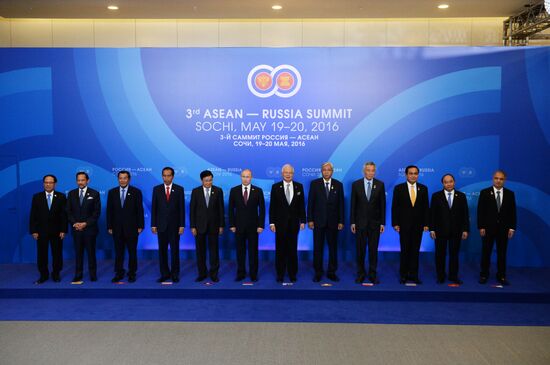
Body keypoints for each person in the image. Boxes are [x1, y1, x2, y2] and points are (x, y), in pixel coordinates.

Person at [477, 170, 517, 286]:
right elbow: (480, 211)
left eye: (501, 179)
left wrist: (512, 228)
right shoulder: (485, 192)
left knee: (502, 253)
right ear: (493, 179)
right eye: (496, 178)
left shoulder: (510, 194)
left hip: (504, 229)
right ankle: (484, 275)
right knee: (486, 253)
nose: (498, 181)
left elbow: (512, 212)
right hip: (488, 229)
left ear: (504, 180)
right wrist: (481, 226)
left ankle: (501, 276)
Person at [307, 162, 344, 282]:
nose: (326, 172)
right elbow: (310, 203)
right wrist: (310, 220)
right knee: (318, 248)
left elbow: (341, 205)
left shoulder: (338, 185)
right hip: (318, 222)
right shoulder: (315, 184)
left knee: (333, 248)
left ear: (332, 171)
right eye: (324, 170)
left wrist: (341, 221)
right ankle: (318, 272)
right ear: (321, 171)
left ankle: (332, 272)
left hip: (333, 223)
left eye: (329, 170)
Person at [392, 165, 429, 284]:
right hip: (403, 225)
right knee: (405, 251)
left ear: (418, 175)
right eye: (411, 173)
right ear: (406, 175)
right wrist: (395, 223)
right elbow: (395, 207)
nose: (413, 175)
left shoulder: (423, 189)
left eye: (415, 173)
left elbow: (425, 208)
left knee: (415, 251)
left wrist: (426, 223)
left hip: (418, 226)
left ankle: (414, 275)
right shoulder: (399, 188)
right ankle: (403, 275)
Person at [429, 173, 469, 284]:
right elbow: (432, 214)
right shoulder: (436, 196)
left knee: (454, 255)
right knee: (440, 255)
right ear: (442, 183)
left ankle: (453, 276)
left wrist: (465, 229)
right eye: (446, 182)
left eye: (450, 181)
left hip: (456, 231)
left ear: (454, 182)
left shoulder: (461, 196)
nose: (448, 184)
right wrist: (432, 229)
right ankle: (440, 276)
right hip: (440, 231)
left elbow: (465, 214)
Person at [350, 162, 386, 284]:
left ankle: (372, 274)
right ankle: (360, 274)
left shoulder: (380, 185)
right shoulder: (356, 185)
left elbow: (382, 205)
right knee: (360, 250)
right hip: (360, 223)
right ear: (364, 171)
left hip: (375, 224)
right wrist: (352, 222)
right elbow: (353, 205)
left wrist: (382, 223)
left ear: (375, 172)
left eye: (372, 170)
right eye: (368, 170)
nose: (370, 172)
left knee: (373, 250)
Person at [269, 164, 306, 283]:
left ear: (293, 174)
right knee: (280, 251)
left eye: (290, 172)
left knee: (292, 250)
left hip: (294, 224)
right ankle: (280, 274)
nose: (288, 174)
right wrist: (272, 223)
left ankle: (292, 274)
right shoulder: (275, 187)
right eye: (286, 172)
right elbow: (272, 207)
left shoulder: (299, 186)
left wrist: (303, 220)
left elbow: (301, 206)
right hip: (279, 225)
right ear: (282, 173)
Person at [106, 170, 144, 283]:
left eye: (125, 178)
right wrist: (109, 226)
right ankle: (119, 272)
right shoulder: (112, 192)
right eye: (120, 178)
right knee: (119, 252)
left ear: (129, 179)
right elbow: (109, 211)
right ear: (118, 179)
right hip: (116, 228)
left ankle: (132, 273)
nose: (122, 180)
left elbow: (139, 210)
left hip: (132, 228)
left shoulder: (136, 192)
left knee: (132, 252)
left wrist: (140, 225)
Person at [29, 174, 67, 284]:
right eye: (46, 182)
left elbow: (63, 215)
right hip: (41, 232)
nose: (48, 184)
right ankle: (43, 275)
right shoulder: (37, 197)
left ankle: (56, 274)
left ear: (55, 184)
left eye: (50, 182)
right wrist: (34, 230)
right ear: (43, 183)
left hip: (57, 232)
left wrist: (63, 230)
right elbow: (33, 215)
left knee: (57, 254)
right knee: (42, 254)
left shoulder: (61, 197)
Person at [228, 169, 265, 282]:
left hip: (254, 227)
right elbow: (230, 209)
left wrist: (261, 225)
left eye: (248, 176)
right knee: (240, 252)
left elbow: (262, 209)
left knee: (253, 252)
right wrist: (232, 224)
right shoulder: (234, 190)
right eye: (243, 176)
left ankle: (253, 274)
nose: (245, 178)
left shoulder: (258, 191)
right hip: (238, 227)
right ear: (240, 177)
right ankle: (241, 273)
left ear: (251, 177)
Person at [151, 167, 185, 283]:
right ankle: (164, 274)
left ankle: (175, 274)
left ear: (173, 176)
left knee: (175, 251)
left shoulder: (179, 189)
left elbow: (181, 209)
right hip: (161, 226)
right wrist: (153, 224)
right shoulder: (157, 189)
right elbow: (154, 208)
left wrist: (182, 225)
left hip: (175, 227)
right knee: (162, 251)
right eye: (164, 175)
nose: (166, 178)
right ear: (162, 176)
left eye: (168, 175)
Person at [190, 170, 225, 282]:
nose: (208, 182)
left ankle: (214, 274)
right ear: (202, 180)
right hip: (199, 227)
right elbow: (192, 210)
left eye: (210, 180)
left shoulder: (218, 191)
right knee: (200, 252)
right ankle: (202, 273)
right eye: (206, 180)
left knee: (214, 251)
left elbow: (221, 209)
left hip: (214, 226)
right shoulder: (195, 191)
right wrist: (193, 226)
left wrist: (221, 226)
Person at [66, 171, 101, 282]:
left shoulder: (95, 194)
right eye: (78, 180)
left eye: (82, 180)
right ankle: (78, 274)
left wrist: (85, 223)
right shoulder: (71, 193)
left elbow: (96, 213)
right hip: (76, 229)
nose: (80, 182)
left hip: (90, 229)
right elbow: (68, 211)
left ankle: (92, 274)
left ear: (87, 181)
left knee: (91, 253)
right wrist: (74, 223)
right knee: (78, 254)